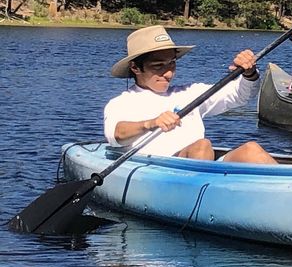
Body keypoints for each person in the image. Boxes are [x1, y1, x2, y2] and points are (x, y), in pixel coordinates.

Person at [104, 25, 276, 163]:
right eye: (158, 66)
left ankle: (291, 195)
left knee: (251, 150)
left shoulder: (189, 93)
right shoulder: (121, 103)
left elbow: (239, 95)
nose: (168, 73)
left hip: (202, 166)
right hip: (162, 171)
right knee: (202, 146)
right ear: (135, 68)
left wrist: (249, 73)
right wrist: (151, 123)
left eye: (171, 64)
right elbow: (116, 135)